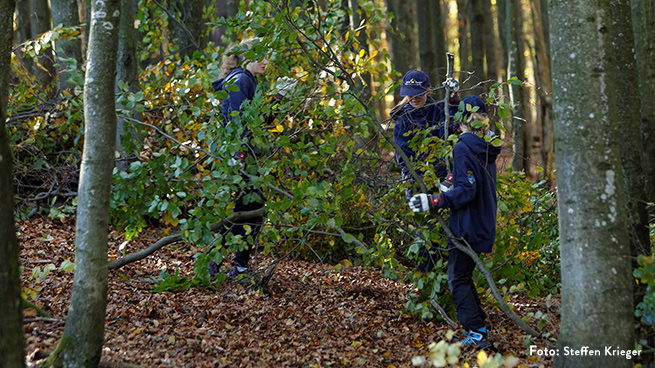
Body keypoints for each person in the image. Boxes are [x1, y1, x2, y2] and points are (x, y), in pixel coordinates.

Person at [408, 96, 501, 349]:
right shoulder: (487, 143)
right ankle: (479, 325)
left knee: (457, 278)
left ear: (460, 120)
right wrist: (450, 183)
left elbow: (466, 191)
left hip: (467, 226)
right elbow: (469, 181)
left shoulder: (463, 147)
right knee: (464, 275)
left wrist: (434, 200)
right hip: (484, 221)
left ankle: (477, 333)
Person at [209, 38, 297, 278]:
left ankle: (236, 265)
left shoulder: (247, 80)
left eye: (267, 56)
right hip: (241, 158)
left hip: (244, 158)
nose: (266, 61)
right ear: (245, 58)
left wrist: (278, 97)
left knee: (251, 210)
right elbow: (238, 122)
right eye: (261, 56)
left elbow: (258, 122)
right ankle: (219, 262)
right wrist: (240, 156)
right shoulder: (240, 80)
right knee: (249, 211)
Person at [392, 69, 460, 272]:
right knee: (425, 233)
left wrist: (454, 96)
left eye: (418, 94)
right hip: (418, 183)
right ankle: (426, 278)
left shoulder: (440, 110)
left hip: (445, 182)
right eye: (409, 94)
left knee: (450, 230)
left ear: (428, 90)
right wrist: (422, 181)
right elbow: (404, 159)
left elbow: (456, 123)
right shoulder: (402, 121)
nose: (414, 98)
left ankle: (449, 275)